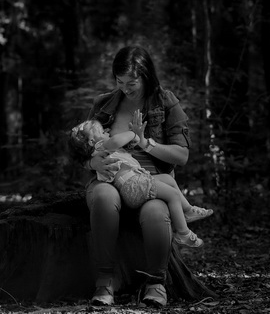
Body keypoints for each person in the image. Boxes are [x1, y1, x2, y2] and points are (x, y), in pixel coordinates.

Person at [83, 45, 210, 307]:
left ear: (146, 75)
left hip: (150, 181)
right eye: (120, 82)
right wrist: (92, 160)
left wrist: (145, 144)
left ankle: (156, 284)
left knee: (155, 211)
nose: (125, 88)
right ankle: (105, 281)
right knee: (105, 197)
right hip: (109, 178)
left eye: (132, 82)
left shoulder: (166, 102)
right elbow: (81, 147)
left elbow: (181, 155)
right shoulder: (103, 104)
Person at [69, 116, 210, 248]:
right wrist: (133, 133)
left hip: (137, 181)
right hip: (134, 186)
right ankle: (183, 233)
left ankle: (188, 210)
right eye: (101, 131)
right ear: (92, 142)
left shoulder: (104, 150)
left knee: (167, 179)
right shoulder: (102, 146)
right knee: (172, 194)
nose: (107, 131)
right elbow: (116, 141)